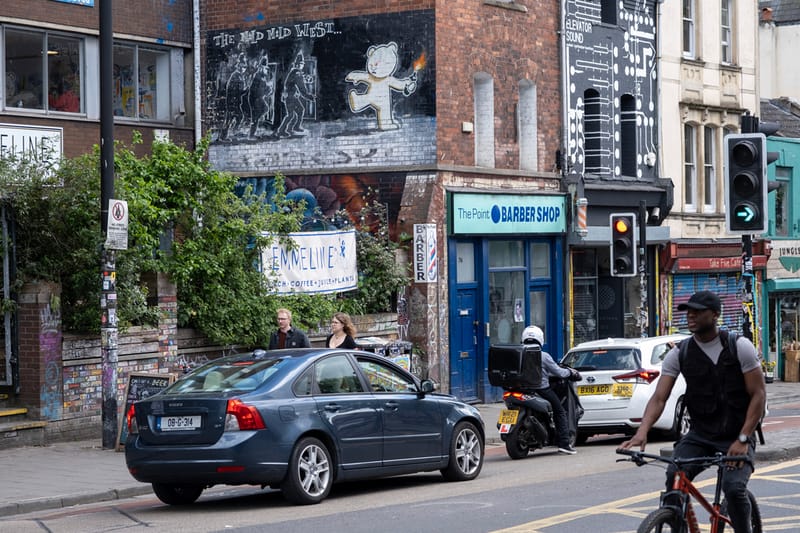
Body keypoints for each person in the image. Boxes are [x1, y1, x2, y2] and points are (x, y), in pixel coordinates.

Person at [618, 290, 766, 533]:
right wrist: (642, 431)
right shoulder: (679, 353)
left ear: (715, 315)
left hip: (737, 434)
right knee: (674, 475)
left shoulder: (739, 347)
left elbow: (758, 395)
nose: (691, 316)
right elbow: (659, 398)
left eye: (698, 311)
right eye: (688, 311)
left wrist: (743, 438)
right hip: (700, 434)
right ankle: (677, 522)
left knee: (733, 488)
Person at [521, 325, 579, 455]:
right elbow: (559, 372)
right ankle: (564, 444)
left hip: (520, 389)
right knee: (560, 411)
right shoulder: (544, 356)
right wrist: (570, 373)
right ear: (540, 339)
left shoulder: (518, 353)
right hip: (541, 390)